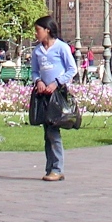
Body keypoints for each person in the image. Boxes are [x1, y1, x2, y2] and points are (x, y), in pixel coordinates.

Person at [30, 15, 77, 182]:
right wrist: (38, 81)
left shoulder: (61, 48)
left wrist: (56, 83)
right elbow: (34, 71)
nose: (36, 34)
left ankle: (57, 168)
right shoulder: (37, 51)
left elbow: (72, 69)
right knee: (47, 132)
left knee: (53, 131)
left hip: (57, 94)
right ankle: (51, 167)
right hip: (43, 95)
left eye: (38, 30)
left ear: (47, 30)